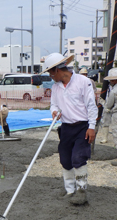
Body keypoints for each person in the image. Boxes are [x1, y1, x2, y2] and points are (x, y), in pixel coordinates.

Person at [42, 53, 98, 205]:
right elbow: (54, 104)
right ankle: (70, 191)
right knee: (65, 159)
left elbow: (91, 105)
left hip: (83, 126)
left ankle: (81, 191)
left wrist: (91, 127)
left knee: (78, 158)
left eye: (50, 72)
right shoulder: (56, 87)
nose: (50, 76)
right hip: (66, 128)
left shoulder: (82, 81)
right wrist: (54, 111)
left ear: (57, 70)